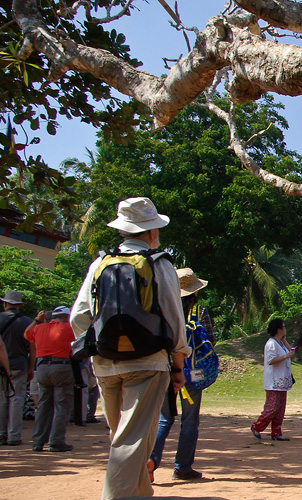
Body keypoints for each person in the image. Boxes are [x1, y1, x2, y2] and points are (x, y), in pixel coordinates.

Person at [69, 197, 189, 500]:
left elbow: (78, 317)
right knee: (130, 442)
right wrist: (178, 366)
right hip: (148, 363)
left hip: (106, 364)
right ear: (151, 232)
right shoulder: (158, 264)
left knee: (125, 437)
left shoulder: (100, 263)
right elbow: (175, 320)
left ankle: (141, 492)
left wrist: (98, 351)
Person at [148, 268, 213, 481]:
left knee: (164, 418)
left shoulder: (160, 313)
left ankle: (151, 460)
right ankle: (183, 467)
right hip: (193, 373)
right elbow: (210, 341)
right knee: (190, 421)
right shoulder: (199, 313)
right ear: (193, 294)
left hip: (166, 370)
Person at [25, 306, 76, 452]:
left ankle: (38, 442)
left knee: (43, 406)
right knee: (61, 406)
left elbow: (26, 334)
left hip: (42, 368)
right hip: (61, 367)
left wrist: (36, 320)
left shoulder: (39, 328)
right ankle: (56, 441)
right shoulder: (68, 328)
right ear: (66, 317)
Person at [251, 318, 294, 441]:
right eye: (283, 327)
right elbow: (271, 360)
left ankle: (276, 432)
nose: (285, 329)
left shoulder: (280, 343)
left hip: (282, 380)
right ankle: (257, 426)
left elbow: (291, 351)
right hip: (274, 381)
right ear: (279, 329)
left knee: (280, 408)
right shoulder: (271, 344)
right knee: (272, 407)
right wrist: (286, 356)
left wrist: (285, 341)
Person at [0, 290, 33, 447]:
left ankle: (1, 433)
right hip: (19, 364)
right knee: (17, 399)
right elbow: (32, 348)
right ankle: (14, 435)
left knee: (1, 399)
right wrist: (31, 367)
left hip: (1, 366)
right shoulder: (27, 322)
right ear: (19, 305)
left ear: (5, 304)